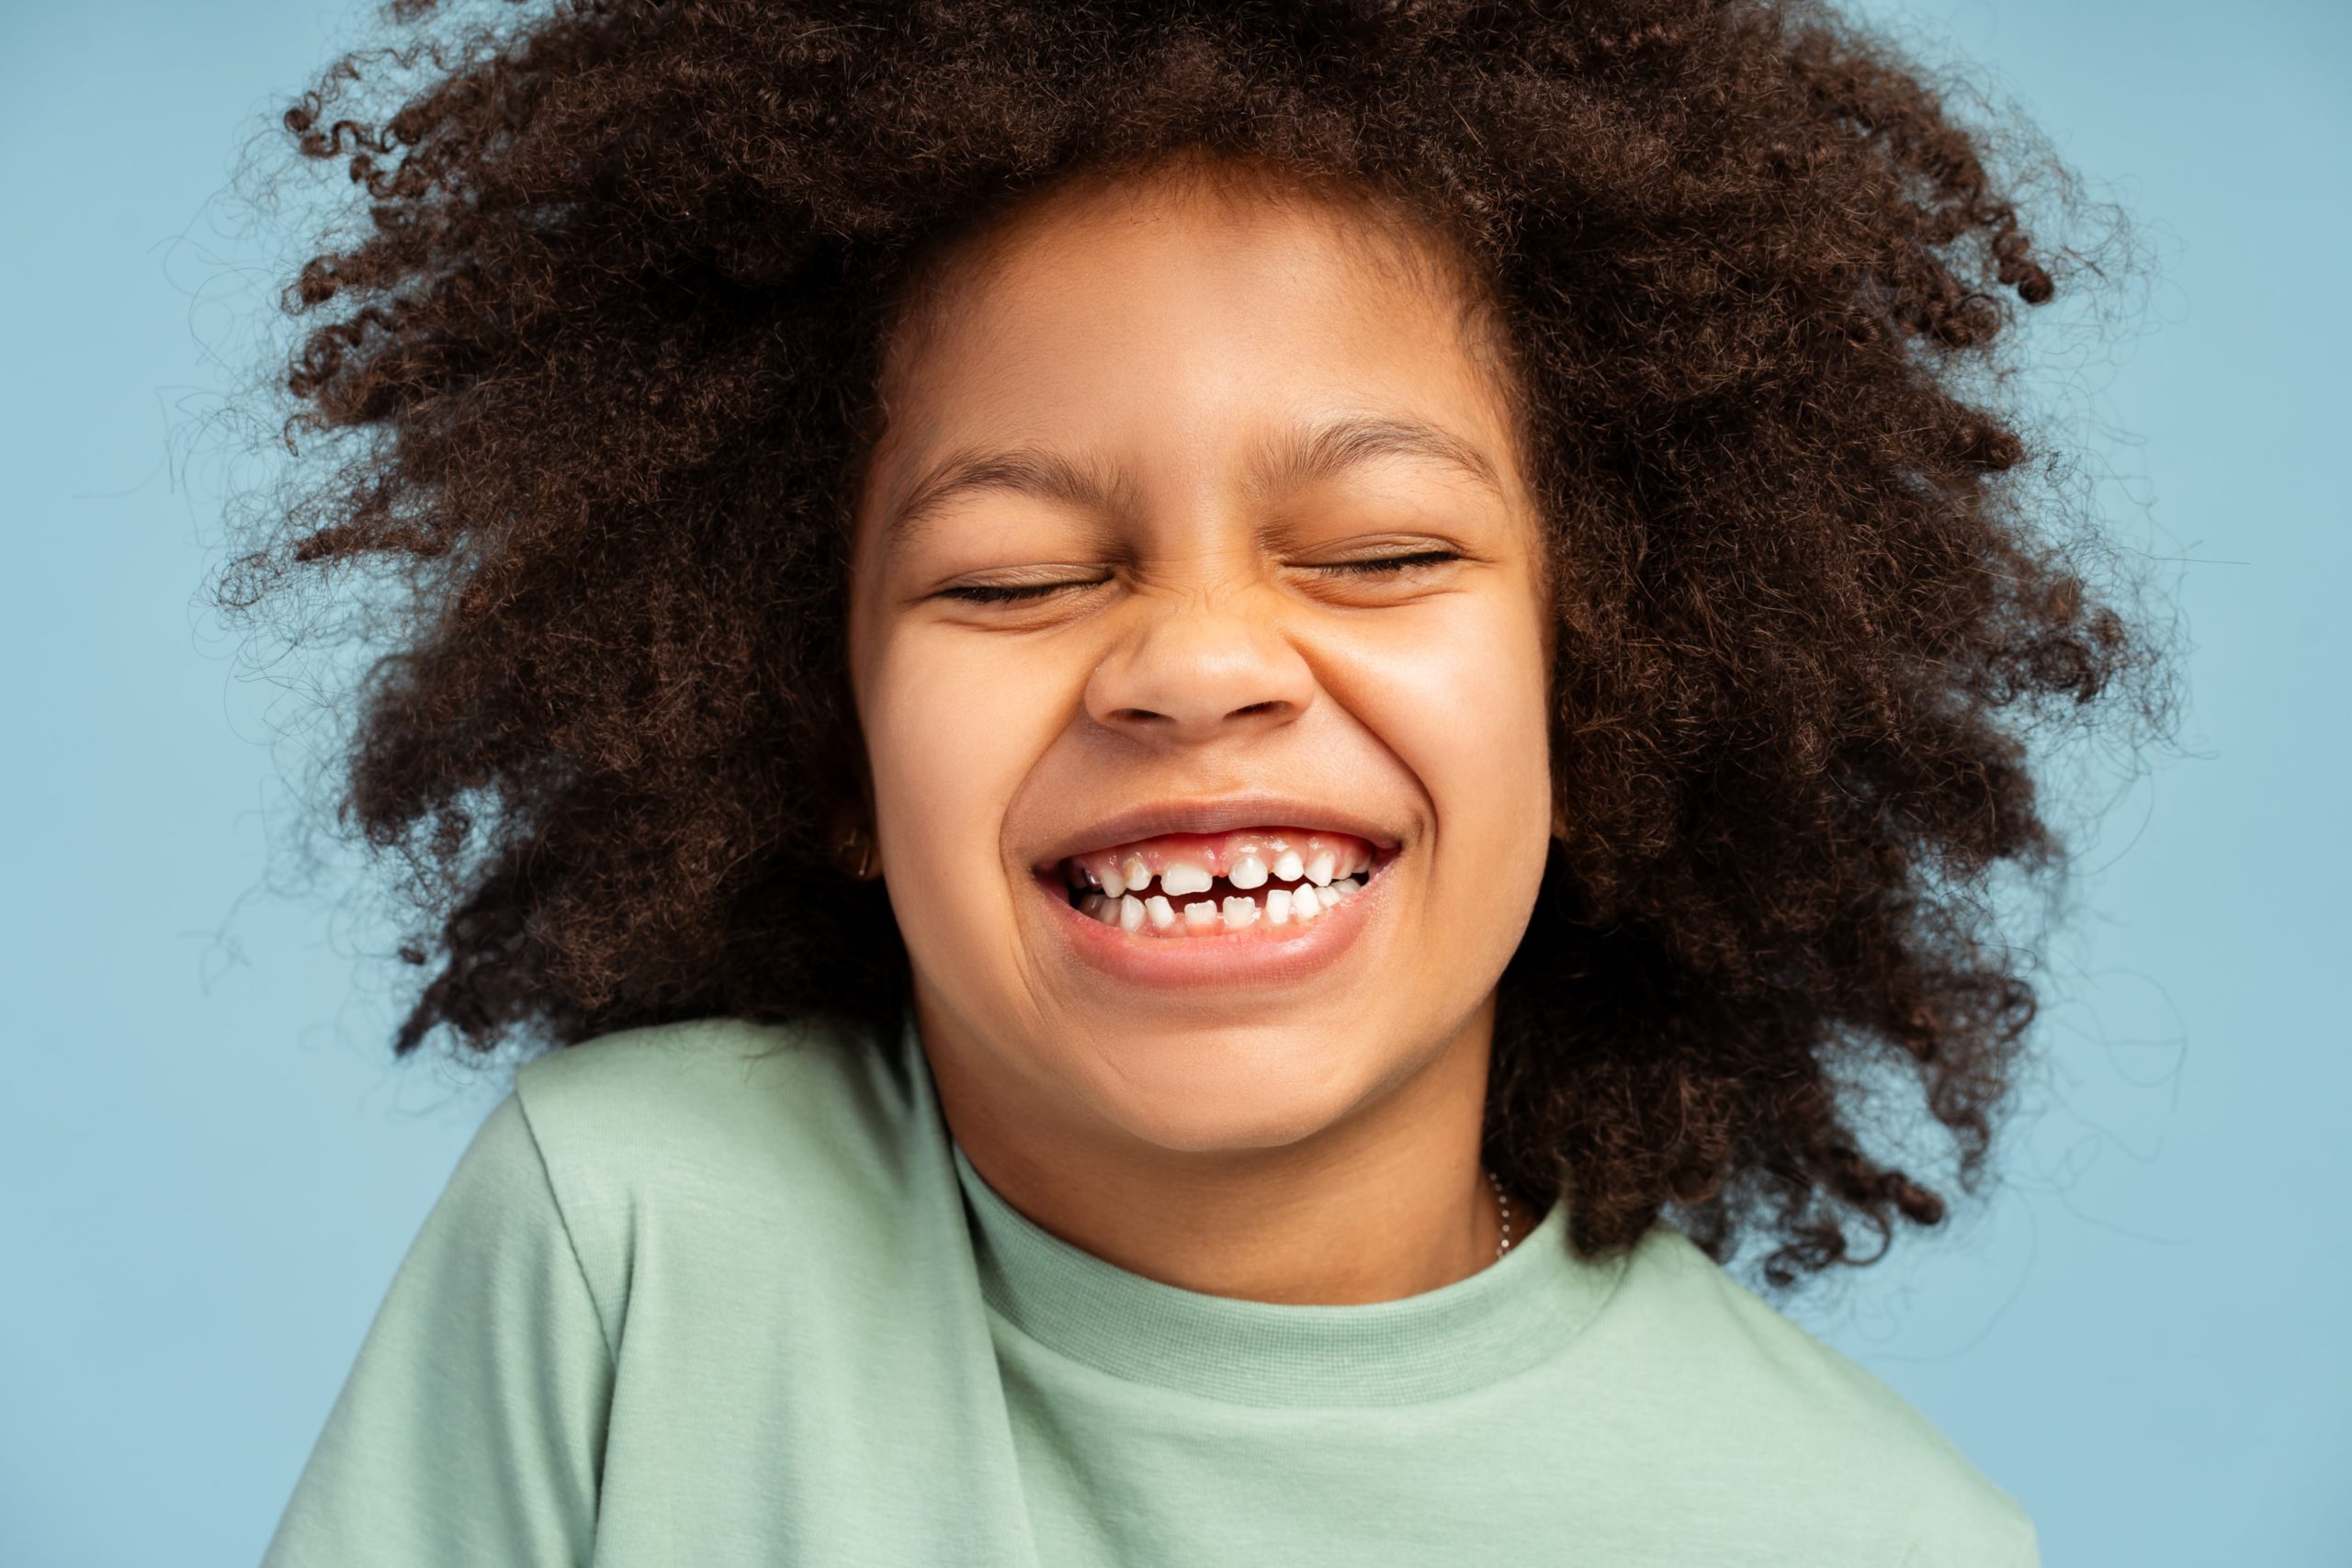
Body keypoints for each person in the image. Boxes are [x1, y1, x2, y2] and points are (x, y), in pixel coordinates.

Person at [246, 1, 2155, 1562]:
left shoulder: (1861, 1536)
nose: (1196, 666)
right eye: (1010, 577)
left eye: (1385, 551)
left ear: (1614, 694)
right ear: (821, 741)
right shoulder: (638, 1234)